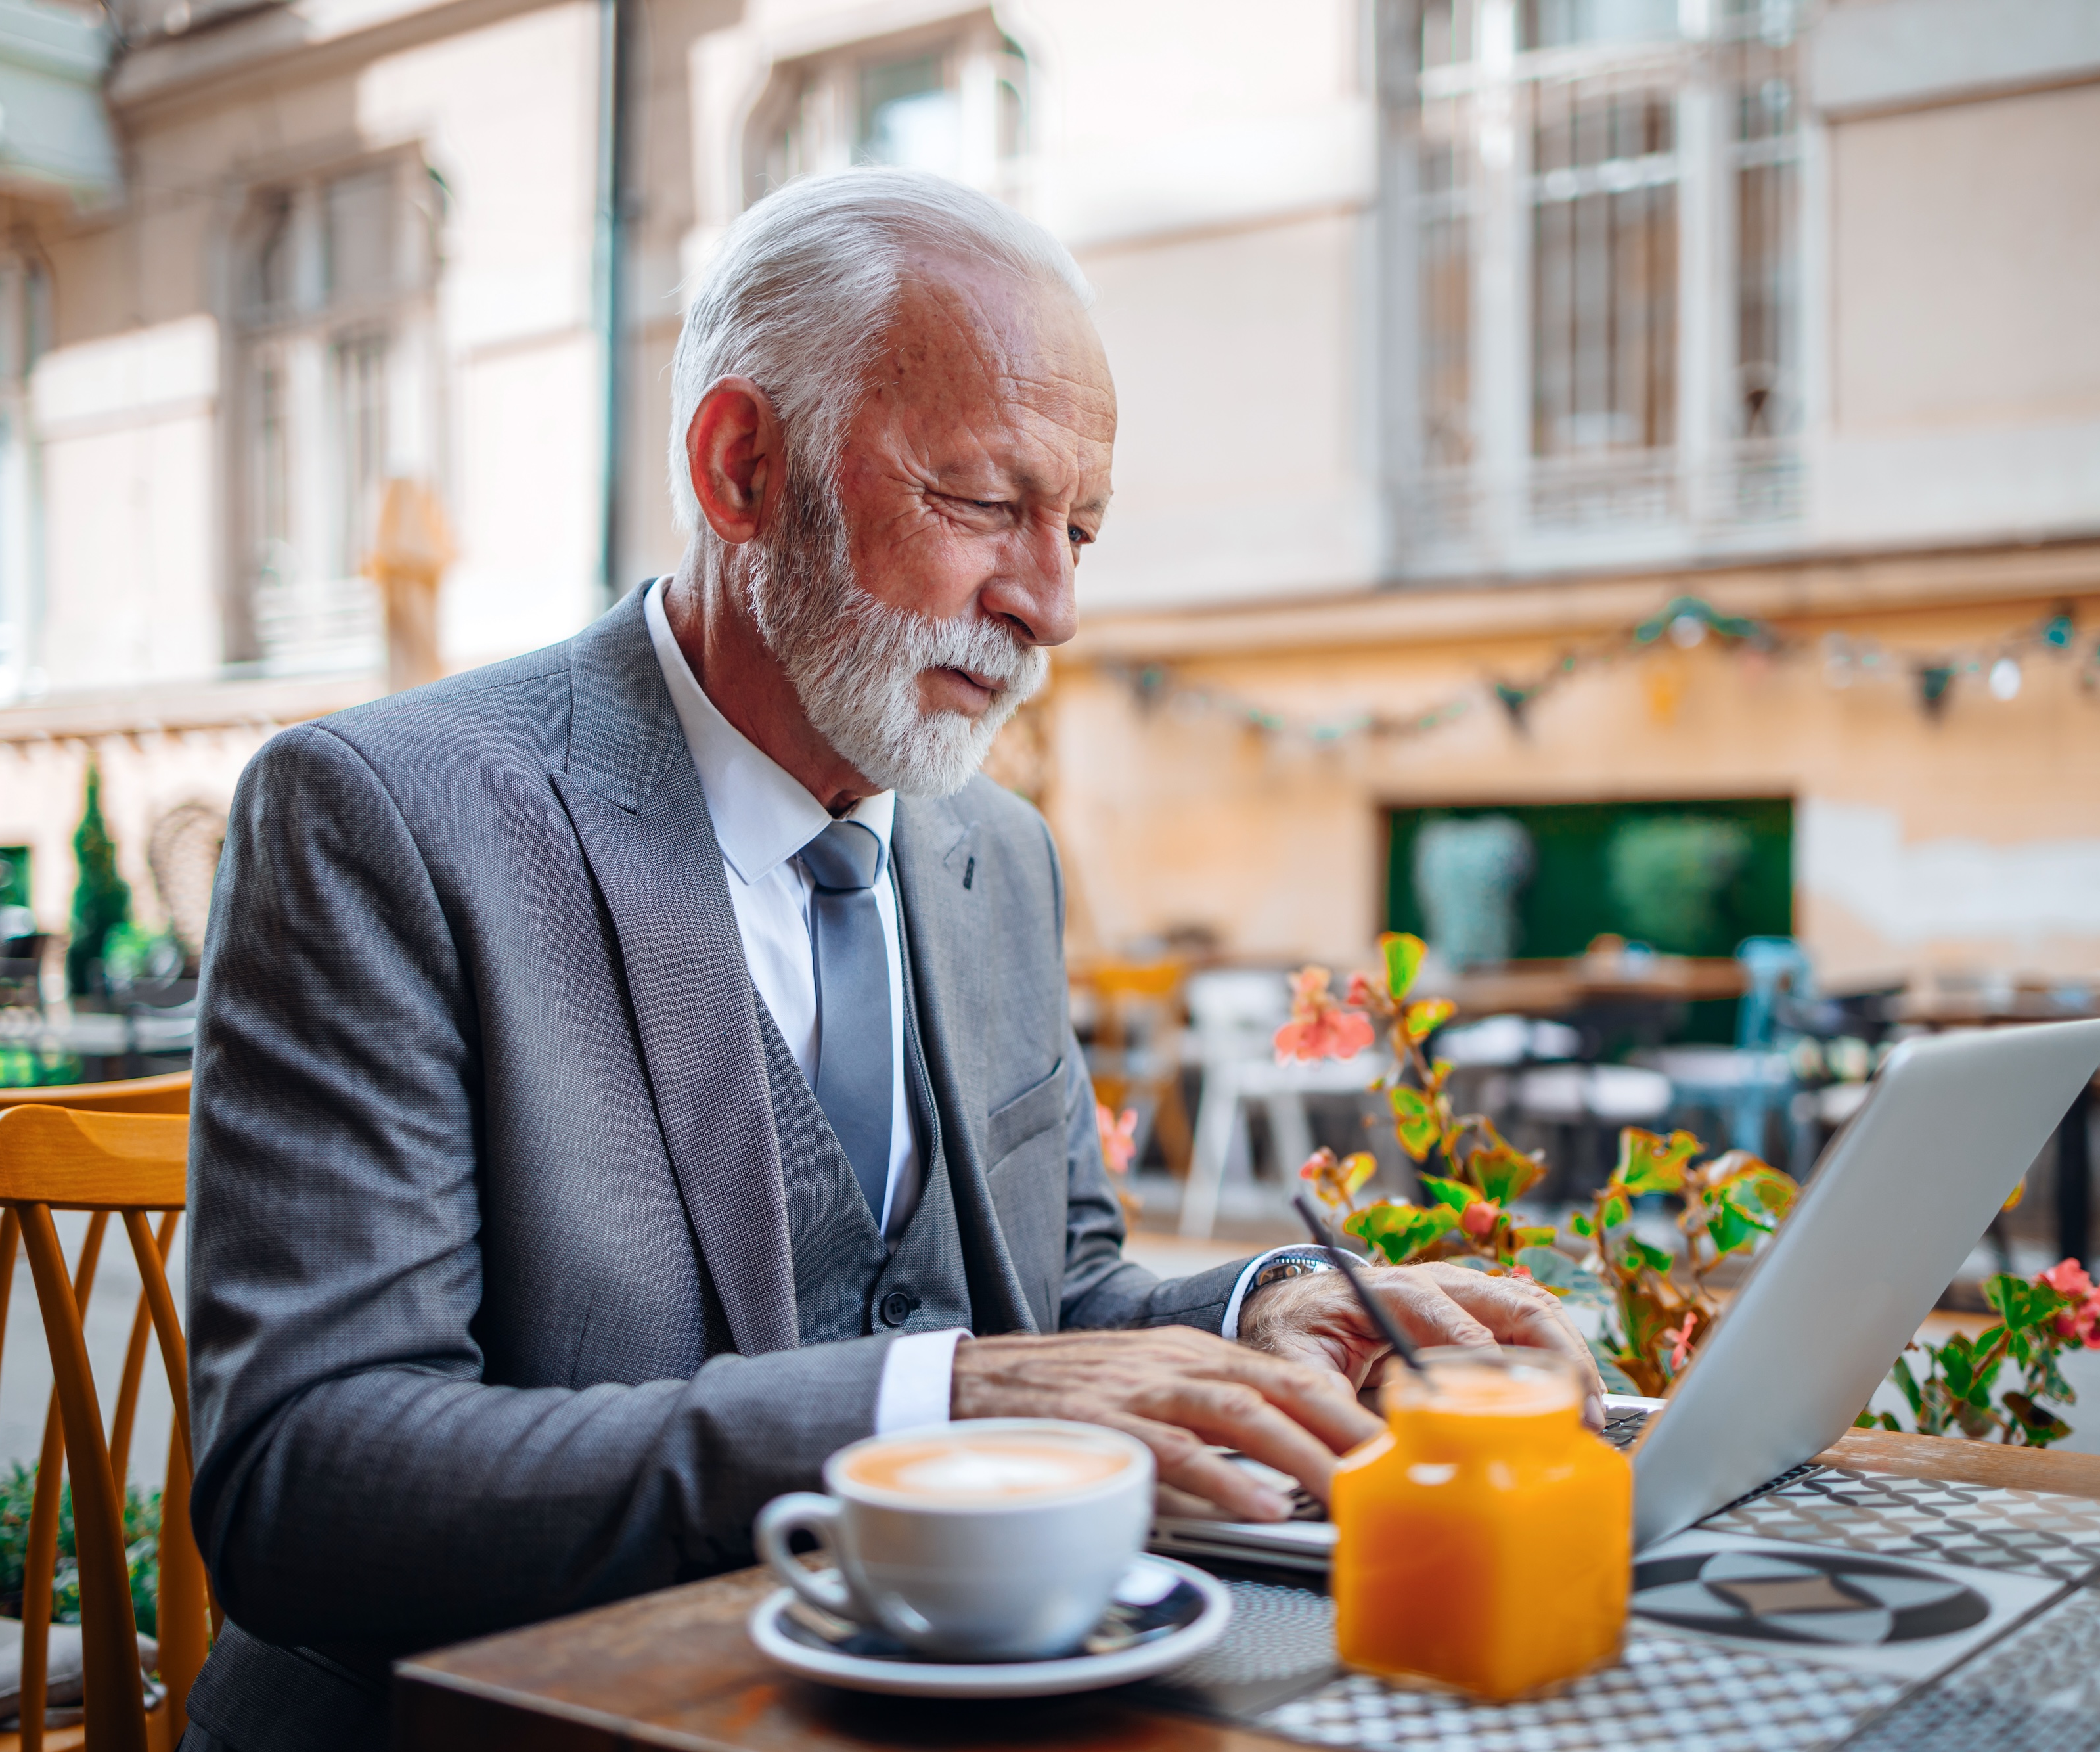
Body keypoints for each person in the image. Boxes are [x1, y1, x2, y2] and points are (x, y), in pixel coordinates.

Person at [179, 168, 1593, 1751]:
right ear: (740, 467)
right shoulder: (382, 815)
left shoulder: (992, 856)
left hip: (933, 1687)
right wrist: (929, 1403)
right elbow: (307, 1479)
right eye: (984, 502)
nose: (1047, 603)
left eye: (1079, 528)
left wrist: (1253, 1311)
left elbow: (1052, 1301)